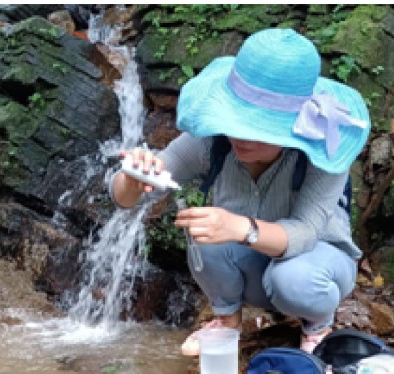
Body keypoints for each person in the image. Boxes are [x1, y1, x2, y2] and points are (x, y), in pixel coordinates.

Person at [109, 28, 370, 354]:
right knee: (204, 233)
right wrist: (132, 178)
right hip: (253, 269)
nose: (241, 137)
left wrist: (240, 228)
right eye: (236, 122)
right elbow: (125, 199)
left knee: (293, 278)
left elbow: (305, 233)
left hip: (317, 268)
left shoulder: (323, 150)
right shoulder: (212, 140)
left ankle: (317, 325)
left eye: (257, 128)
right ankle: (227, 319)